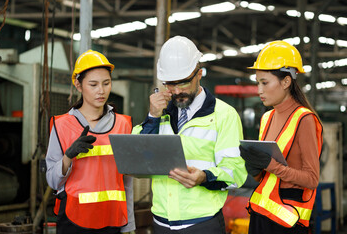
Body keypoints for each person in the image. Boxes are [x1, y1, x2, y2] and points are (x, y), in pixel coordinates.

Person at [132, 35, 248, 233]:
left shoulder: (224, 115)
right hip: (161, 223)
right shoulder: (158, 113)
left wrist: (204, 177)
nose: (176, 91)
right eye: (170, 84)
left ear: (199, 74)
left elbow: (235, 172)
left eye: (183, 83)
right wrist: (152, 117)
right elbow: (136, 159)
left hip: (201, 224)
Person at [46, 50, 135, 234]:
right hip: (74, 220)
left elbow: (127, 182)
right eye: (93, 84)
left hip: (113, 221)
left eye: (106, 83)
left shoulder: (123, 124)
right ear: (78, 85)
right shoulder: (62, 125)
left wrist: (129, 226)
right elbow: (53, 181)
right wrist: (68, 157)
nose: (101, 91)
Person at [240, 40, 323, 234]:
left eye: (265, 83)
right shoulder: (267, 118)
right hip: (260, 216)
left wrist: (271, 165)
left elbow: (312, 179)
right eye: (257, 83)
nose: (259, 90)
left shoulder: (305, 119)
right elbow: (266, 177)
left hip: (287, 223)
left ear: (286, 82)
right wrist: (255, 169)